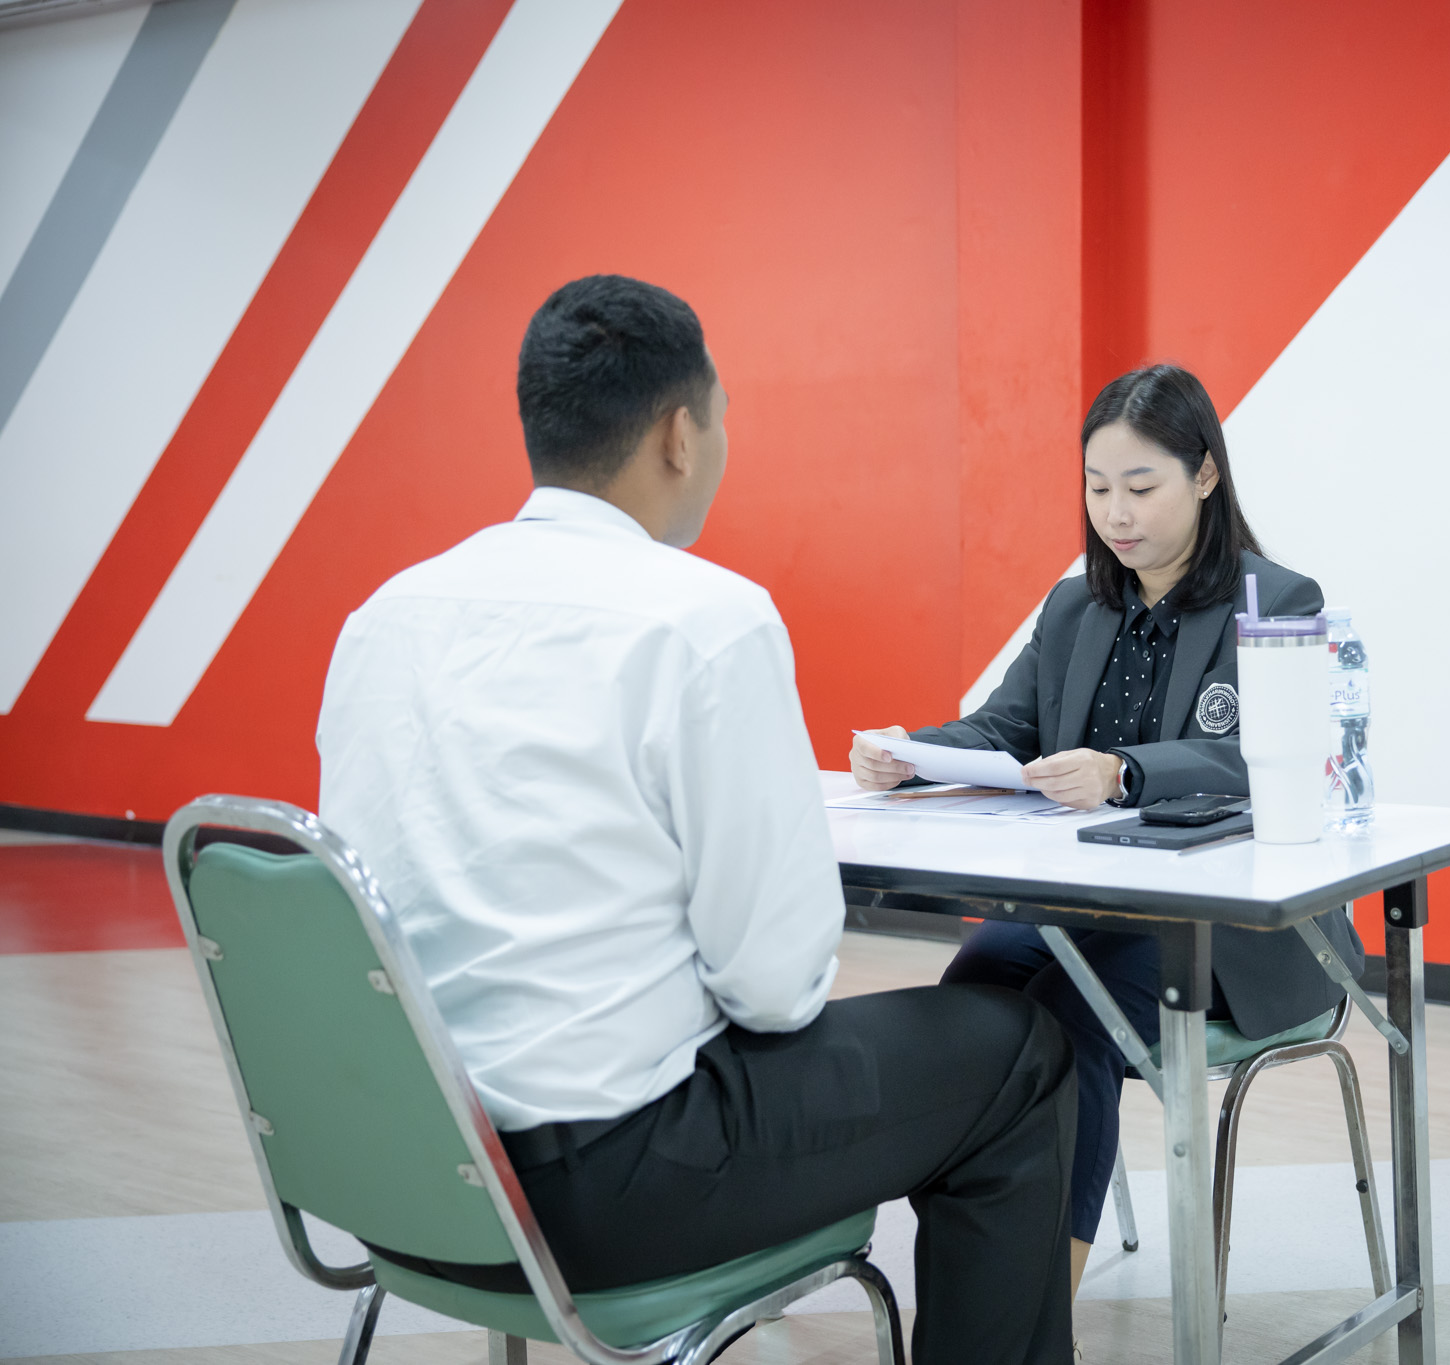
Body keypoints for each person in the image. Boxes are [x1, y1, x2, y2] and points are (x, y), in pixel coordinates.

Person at [317, 275, 1076, 1365]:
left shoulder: (383, 618)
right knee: (1018, 1049)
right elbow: (774, 988)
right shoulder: (703, 619)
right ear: (680, 433)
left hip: (402, 1174)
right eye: (721, 417)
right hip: (604, 1194)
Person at [850, 363, 1369, 1297]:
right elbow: (1004, 727)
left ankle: (1042, 1309)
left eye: (1140, 486)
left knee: (1069, 1018)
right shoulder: (1076, 604)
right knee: (972, 991)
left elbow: (1260, 757)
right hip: (1096, 907)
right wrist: (911, 753)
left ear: (1204, 474)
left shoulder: (1277, 599)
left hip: (1228, 930)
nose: (1116, 514)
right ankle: (982, 1275)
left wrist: (1122, 770)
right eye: (1097, 489)